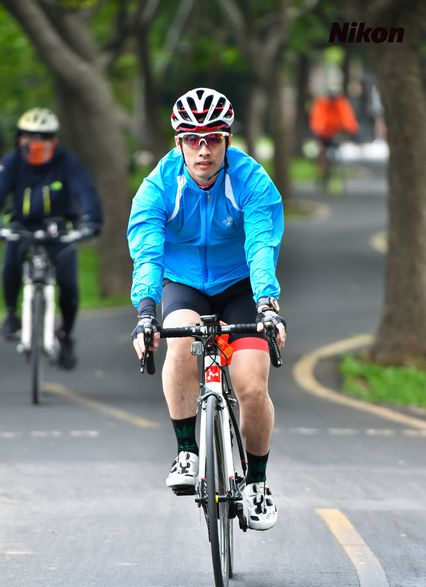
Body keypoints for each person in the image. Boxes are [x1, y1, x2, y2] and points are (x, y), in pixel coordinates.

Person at [128, 87, 286, 531]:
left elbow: (262, 245)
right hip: (184, 286)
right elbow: (147, 252)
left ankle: (257, 483)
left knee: (251, 384)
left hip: (241, 286)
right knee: (180, 344)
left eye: (213, 138)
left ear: (227, 141)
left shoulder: (252, 181)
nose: (203, 149)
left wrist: (267, 304)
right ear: (178, 142)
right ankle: (186, 451)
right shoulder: (158, 186)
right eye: (193, 139)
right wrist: (146, 311)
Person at [0, 108, 103, 369]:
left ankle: (66, 334)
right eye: (30, 136)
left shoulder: (67, 162)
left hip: (60, 228)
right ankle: (11, 314)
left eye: (43, 137)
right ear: (20, 138)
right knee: (10, 262)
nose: (36, 142)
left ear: (54, 140)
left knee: (68, 284)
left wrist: (92, 220)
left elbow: (85, 191)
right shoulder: (12, 161)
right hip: (22, 226)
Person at [309, 91, 359, 183]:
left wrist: (349, 129)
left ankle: (334, 170)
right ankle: (321, 172)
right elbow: (318, 119)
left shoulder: (341, 104)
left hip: (336, 133)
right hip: (323, 134)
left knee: (337, 147)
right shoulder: (322, 104)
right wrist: (320, 130)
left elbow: (348, 118)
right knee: (322, 150)